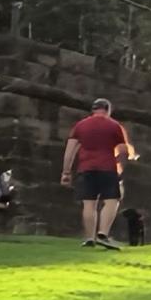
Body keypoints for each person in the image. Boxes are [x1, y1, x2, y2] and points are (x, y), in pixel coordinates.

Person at [60, 97, 135, 249]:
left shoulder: (80, 126)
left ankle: (89, 238)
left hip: (85, 168)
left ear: (93, 110)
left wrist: (66, 172)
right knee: (112, 200)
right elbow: (123, 151)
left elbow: (70, 150)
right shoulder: (114, 126)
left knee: (89, 203)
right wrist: (120, 167)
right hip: (107, 168)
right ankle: (103, 234)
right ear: (108, 110)